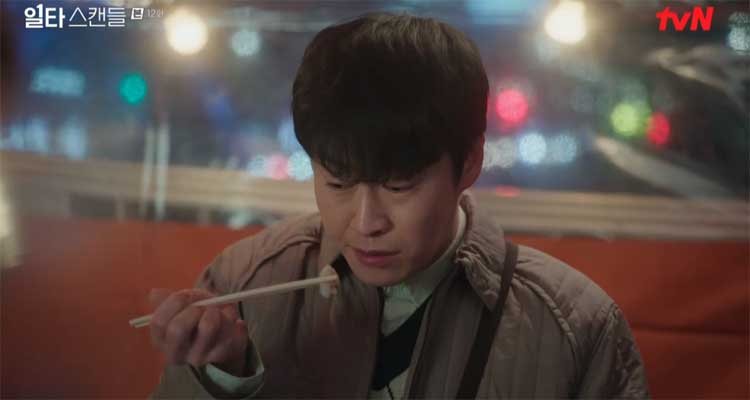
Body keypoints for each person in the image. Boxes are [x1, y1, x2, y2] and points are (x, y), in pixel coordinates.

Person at [149, 12, 650, 399]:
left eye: (400, 186)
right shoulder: (243, 284)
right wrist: (223, 375)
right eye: (338, 182)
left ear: (470, 162)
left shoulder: (576, 328)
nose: (366, 223)